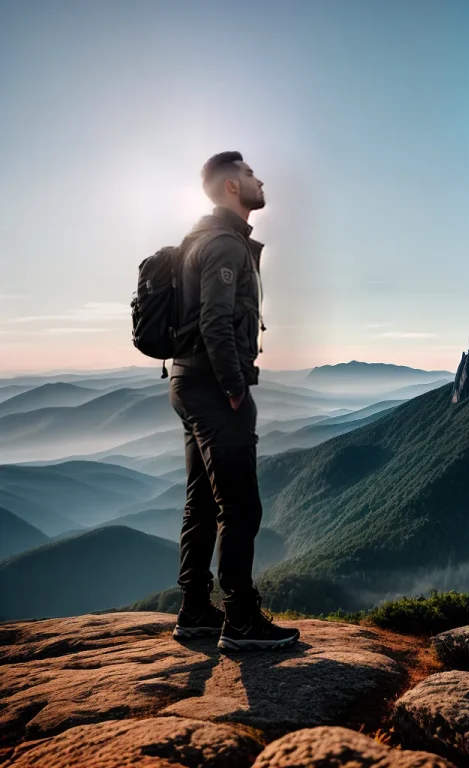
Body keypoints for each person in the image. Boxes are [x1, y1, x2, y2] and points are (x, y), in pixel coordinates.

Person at [167, 151, 299, 652]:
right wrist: (235, 388)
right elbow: (215, 321)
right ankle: (240, 618)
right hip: (214, 387)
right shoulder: (225, 243)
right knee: (240, 504)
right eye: (248, 174)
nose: (259, 180)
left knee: (201, 499)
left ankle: (195, 610)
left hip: (187, 380)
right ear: (230, 186)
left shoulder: (199, 239)